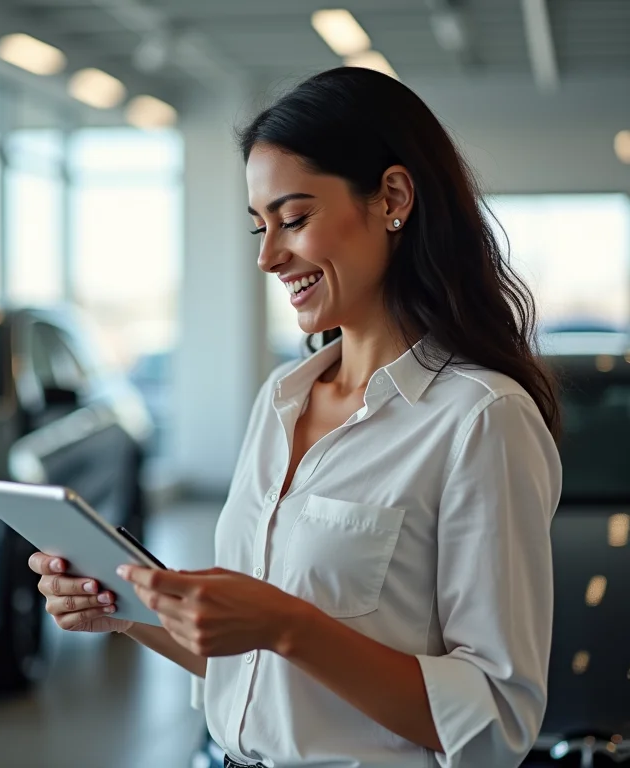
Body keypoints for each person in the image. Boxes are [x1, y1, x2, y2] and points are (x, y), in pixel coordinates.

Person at [28, 67, 562, 768]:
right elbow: (254, 670)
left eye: (294, 218)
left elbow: (496, 721)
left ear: (393, 197)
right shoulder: (281, 398)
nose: (268, 255)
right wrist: (127, 612)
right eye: (259, 225)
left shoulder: (480, 420)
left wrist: (289, 625)